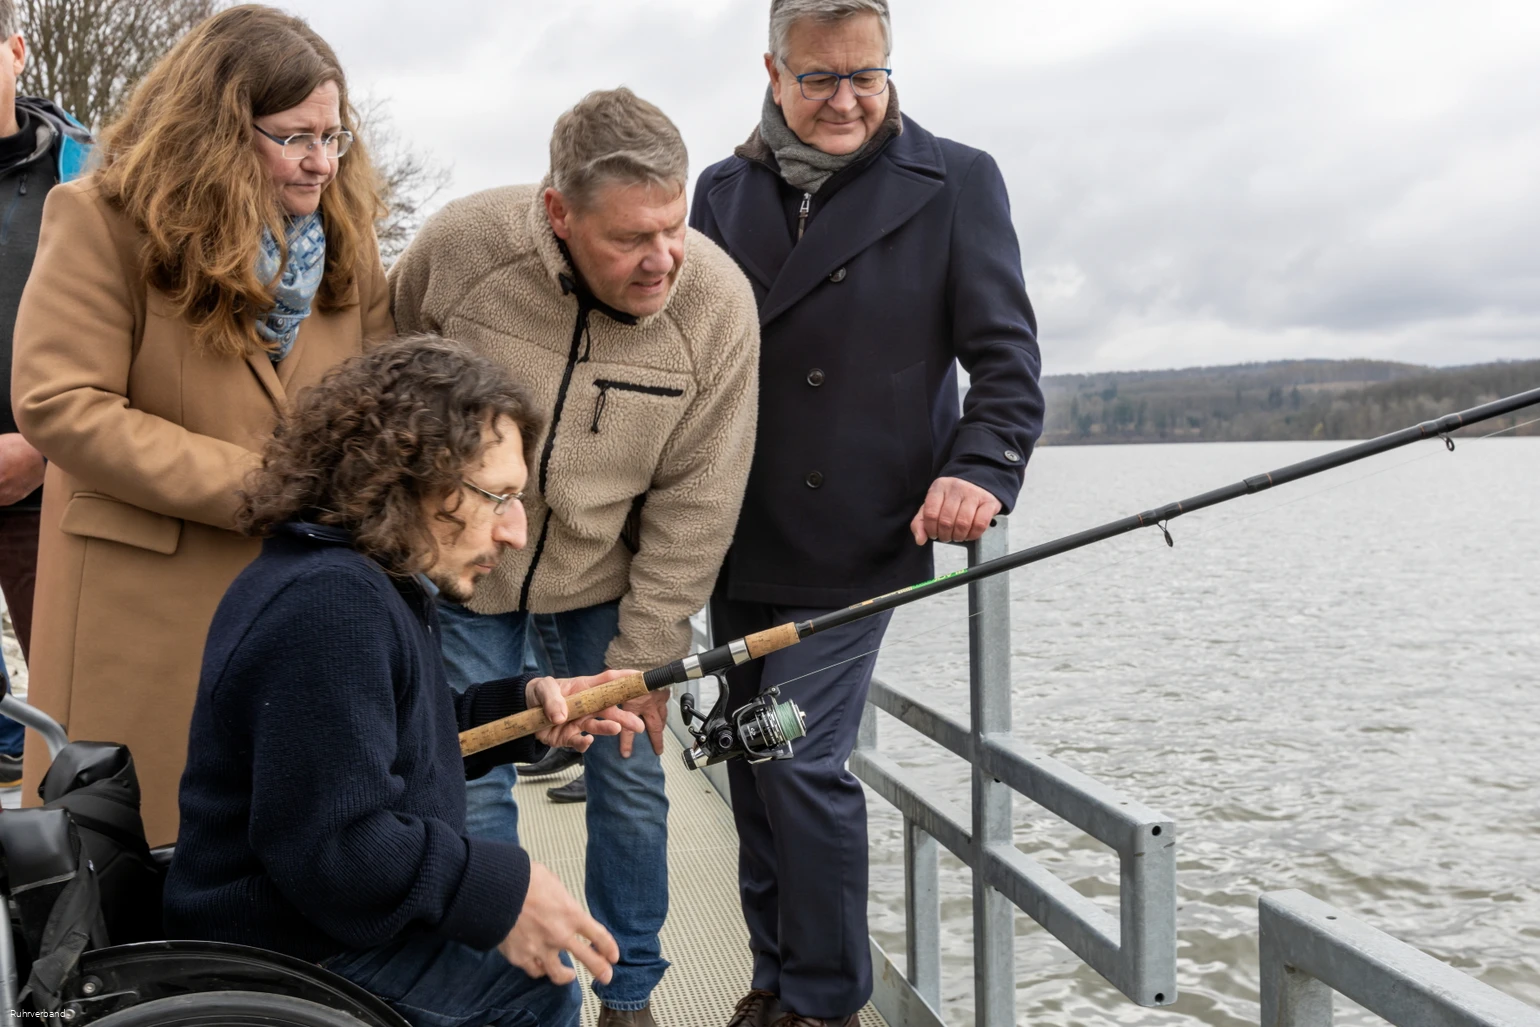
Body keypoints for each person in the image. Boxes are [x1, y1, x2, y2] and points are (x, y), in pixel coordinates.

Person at [690, 2, 1046, 1025]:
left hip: (864, 536)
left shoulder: (955, 180)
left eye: (867, 74)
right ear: (772, 70)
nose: (845, 99)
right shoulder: (718, 191)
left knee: (795, 753)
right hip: (736, 534)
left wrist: (979, 467)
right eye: (818, 79)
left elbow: (1008, 366)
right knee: (750, 765)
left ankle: (829, 999)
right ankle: (773, 978)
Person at [390, 86, 760, 1027]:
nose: (663, 259)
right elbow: (386, 394)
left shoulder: (716, 307)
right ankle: (500, 983)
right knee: (468, 784)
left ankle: (628, 994)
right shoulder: (461, 251)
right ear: (557, 212)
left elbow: (701, 498)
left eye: (674, 227)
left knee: (631, 786)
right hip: (469, 577)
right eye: (631, 238)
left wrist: (645, 646)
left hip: (607, 580)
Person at [166, 336, 644, 1027]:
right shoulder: (330, 605)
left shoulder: (355, 578)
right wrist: (505, 890)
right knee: (535, 992)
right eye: (498, 496)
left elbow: (376, 750)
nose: (514, 530)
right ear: (410, 477)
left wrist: (518, 709)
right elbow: (337, 844)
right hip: (290, 945)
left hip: (316, 919)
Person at [10, 4, 392, 841]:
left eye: (335, 137)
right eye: (295, 136)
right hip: (143, 611)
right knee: (129, 871)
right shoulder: (100, 222)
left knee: (282, 852)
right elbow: (60, 402)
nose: (322, 163)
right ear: (217, 128)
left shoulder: (348, 244)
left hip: (299, 607)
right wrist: (269, 487)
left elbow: (380, 399)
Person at [0, 0, 92, 787]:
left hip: (57, 492)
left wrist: (43, 443)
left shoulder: (97, 173)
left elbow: (140, 333)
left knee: (79, 723)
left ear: (18, 48)